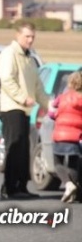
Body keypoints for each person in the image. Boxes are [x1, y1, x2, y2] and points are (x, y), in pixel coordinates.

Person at [0, 21, 49, 200]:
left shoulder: (30, 58)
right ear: (17, 35)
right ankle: (9, 188)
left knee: (23, 150)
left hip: (25, 110)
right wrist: (22, 97)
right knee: (14, 148)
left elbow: (38, 87)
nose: (30, 39)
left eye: (33, 36)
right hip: (12, 108)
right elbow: (6, 79)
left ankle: (21, 186)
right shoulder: (9, 54)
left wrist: (50, 107)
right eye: (27, 36)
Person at [51, 69, 82, 203]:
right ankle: (73, 192)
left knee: (57, 162)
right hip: (76, 136)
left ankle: (68, 184)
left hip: (60, 135)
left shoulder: (62, 97)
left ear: (69, 83)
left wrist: (56, 116)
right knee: (73, 164)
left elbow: (51, 112)